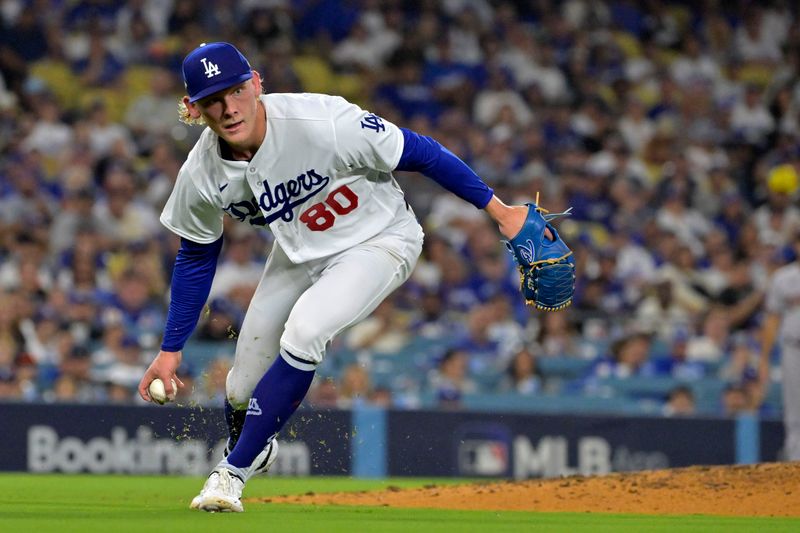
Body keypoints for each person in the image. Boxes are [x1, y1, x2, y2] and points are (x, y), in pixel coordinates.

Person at [136, 42, 542, 513]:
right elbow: (197, 255)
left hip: (379, 238)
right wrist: (170, 349)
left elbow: (421, 152)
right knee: (239, 390)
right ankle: (256, 443)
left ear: (257, 83)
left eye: (235, 91)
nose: (228, 108)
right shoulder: (202, 172)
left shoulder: (322, 121)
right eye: (212, 100)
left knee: (306, 330)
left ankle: (232, 472)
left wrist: (499, 210)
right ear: (192, 109)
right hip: (300, 252)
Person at [756, 231, 800, 461]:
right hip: (793, 347)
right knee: (795, 410)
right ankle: (796, 465)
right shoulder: (783, 277)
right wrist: (764, 357)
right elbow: (772, 319)